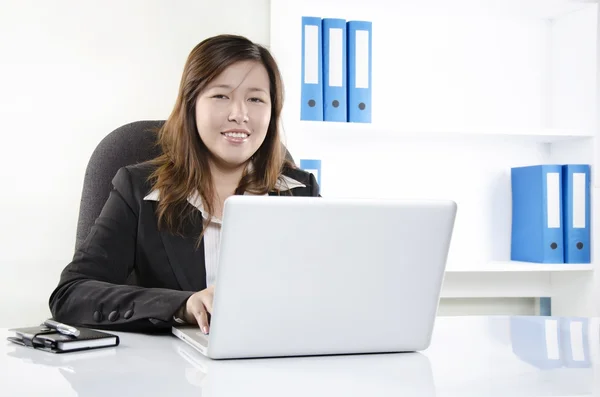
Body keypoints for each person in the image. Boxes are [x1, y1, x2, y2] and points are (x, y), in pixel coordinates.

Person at [48, 34, 320, 334]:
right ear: (191, 103)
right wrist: (181, 305)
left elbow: (330, 293)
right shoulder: (140, 190)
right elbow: (71, 295)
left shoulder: (299, 191)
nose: (239, 114)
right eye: (221, 96)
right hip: (171, 373)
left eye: (256, 99)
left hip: (275, 366)